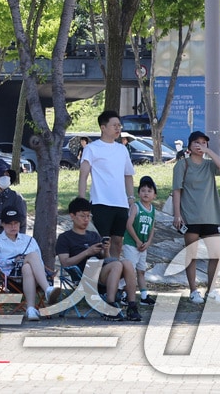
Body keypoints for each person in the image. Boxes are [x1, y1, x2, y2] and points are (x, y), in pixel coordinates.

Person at [78, 109, 141, 321]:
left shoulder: (122, 149)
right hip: (101, 202)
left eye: (119, 125)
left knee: (118, 242)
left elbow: (128, 176)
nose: (118, 128)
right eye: (114, 125)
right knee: (102, 243)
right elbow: (84, 173)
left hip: (120, 203)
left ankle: (117, 286)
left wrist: (131, 200)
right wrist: (81, 200)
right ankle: (103, 285)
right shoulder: (92, 149)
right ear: (103, 127)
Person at [172, 130, 220, 303]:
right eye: (196, 142)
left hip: (210, 215)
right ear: (189, 145)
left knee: (215, 255)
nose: (200, 145)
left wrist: (209, 151)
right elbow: (176, 191)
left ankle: (211, 290)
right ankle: (193, 291)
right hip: (190, 216)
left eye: (203, 142)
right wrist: (177, 215)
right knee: (192, 255)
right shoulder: (182, 165)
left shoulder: (209, 165)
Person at [56, 196, 127, 319]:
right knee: (115, 264)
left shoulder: (94, 235)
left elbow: (106, 258)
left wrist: (105, 250)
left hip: (100, 272)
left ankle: (132, 305)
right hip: (81, 274)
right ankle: (110, 305)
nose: (86, 219)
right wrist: (87, 252)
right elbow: (65, 263)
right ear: (72, 216)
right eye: (83, 216)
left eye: (88, 216)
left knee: (127, 264)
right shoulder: (65, 237)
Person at [0, 208, 53, 321]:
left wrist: (25, 261)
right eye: (9, 223)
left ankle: (31, 309)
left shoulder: (29, 240)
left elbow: (40, 263)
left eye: (16, 223)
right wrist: (15, 261)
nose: (13, 226)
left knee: (27, 267)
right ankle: (47, 289)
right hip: (11, 279)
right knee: (30, 257)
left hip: (35, 278)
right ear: (2, 223)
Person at [123, 175, 158, 307]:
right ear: (138, 193)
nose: (146, 193)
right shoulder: (136, 207)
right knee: (130, 271)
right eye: (143, 190)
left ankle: (144, 296)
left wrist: (148, 242)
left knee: (141, 271)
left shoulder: (153, 210)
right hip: (132, 244)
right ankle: (125, 294)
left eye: (149, 191)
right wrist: (137, 241)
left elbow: (152, 227)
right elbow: (129, 225)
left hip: (143, 245)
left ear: (154, 194)